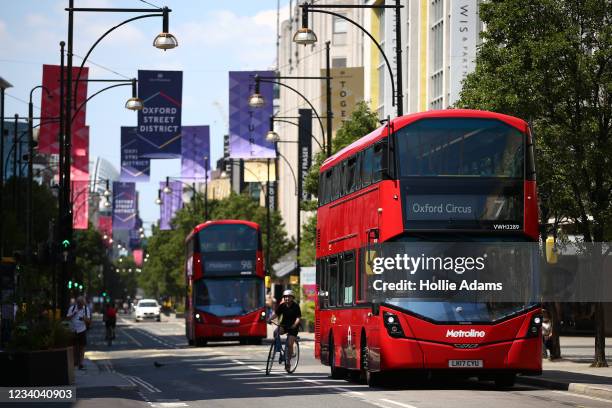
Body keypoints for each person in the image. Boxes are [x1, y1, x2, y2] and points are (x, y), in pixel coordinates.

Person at [268, 289, 301, 368]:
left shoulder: (296, 306)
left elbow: (298, 318)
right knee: (276, 332)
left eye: (289, 297)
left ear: (292, 298)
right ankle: (278, 347)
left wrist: (294, 324)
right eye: (285, 297)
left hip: (293, 327)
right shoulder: (282, 306)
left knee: (289, 344)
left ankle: (288, 362)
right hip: (284, 325)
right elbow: (276, 314)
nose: (287, 299)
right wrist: (269, 319)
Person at [66, 296, 91, 369]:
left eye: (82, 303)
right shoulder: (72, 308)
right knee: (74, 347)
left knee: (82, 347)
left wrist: (84, 318)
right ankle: (74, 362)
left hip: (82, 330)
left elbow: (89, 321)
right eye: (79, 303)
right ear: (77, 303)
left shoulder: (86, 309)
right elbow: (67, 318)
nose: (81, 305)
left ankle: (81, 363)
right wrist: (74, 313)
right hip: (73, 330)